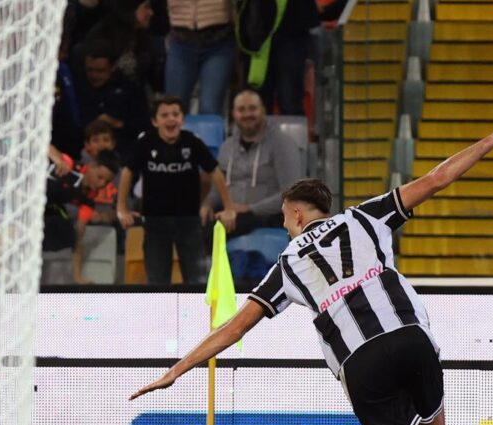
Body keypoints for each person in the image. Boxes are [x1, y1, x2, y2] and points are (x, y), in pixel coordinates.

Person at [130, 104, 493, 425]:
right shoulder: (367, 216)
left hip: (361, 360)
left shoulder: (287, 263)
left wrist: (177, 369)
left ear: (299, 214)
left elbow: (235, 326)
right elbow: (438, 179)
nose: (287, 226)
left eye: (288, 218)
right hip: (410, 335)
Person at [117, 95, 234, 284]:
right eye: (164, 115)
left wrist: (229, 207)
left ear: (182, 119)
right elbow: (127, 172)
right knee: (157, 280)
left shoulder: (192, 142)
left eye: (175, 114)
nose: (171, 119)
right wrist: (121, 208)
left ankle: (199, 313)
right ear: (155, 121)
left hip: (188, 221)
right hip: (155, 222)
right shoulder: (146, 142)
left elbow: (215, 173)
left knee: (197, 279)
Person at [202, 89, 301, 238]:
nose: (247, 114)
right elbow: (218, 188)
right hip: (233, 213)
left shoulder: (282, 143)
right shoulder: (227, 146)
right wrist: (207, 205)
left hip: (270, 216)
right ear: (234, 114)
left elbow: (291, 194)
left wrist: (249, 209)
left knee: (213, 230)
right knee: (195, 223)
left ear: (263, 111)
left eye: (253, 108)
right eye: (241, 110)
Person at [45, 150, 120, 284]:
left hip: (41, 209)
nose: (102, 184)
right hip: (18, 192)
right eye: (100, 177)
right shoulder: (69, 165)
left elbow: (78, 239)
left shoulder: (87, 202)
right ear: (91, 166)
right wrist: (57, 159)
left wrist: (78, 276)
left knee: (69, 233)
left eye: (107, 181)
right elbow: (45, 145)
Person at [75, 41, 150, 157]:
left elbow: (143, 125)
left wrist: (117, 124)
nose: (94, 75)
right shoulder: (79, 86)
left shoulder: (131, 89)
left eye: (100, 71)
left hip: (124, 152)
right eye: (90, 70)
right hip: (85, 153)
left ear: (113, 68)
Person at [164, 0, 236, 116]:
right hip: (180, 41)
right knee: (173, 108)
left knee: (210, 108)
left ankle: (210, 134)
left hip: (219, 41)